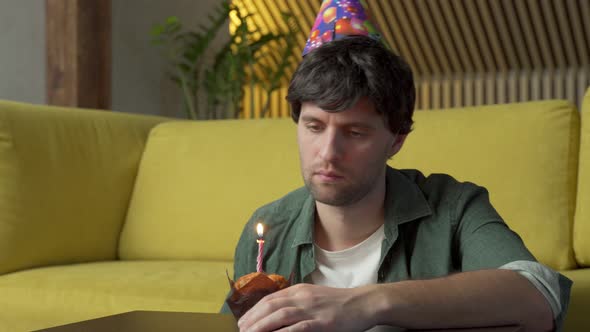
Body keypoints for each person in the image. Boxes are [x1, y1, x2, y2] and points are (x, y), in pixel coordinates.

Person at [221, 2, 571, 332]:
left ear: (397, 140)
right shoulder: (268, 229)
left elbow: (539, 293)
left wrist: (364, 304)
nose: (328, 152)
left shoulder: (453, 207)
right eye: (314, 127)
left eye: (355, 132)